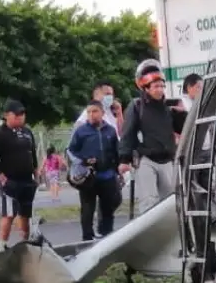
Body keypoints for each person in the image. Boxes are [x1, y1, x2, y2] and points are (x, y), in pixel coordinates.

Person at [119, 67, 187, 212]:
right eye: (156, 86)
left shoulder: (168, 108)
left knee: (170, 201)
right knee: (149, 201)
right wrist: (124, 159)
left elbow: (183, 129)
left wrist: (182, 115)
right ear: (146, 88)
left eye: (162, 86)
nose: (160, 89)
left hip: (167, 159)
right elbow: (128, 133)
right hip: (145, 159)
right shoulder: (137, 106)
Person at [68, 100, 124, 241]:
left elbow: (116, 152)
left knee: (108, 209)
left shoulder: (110, 130)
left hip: (108, 176)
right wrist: (83, 160)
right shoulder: (81, 131)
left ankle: (107, 236)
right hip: (88, 177)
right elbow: (70, 151)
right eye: (89, 112)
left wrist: (119, 170)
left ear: (102, 113)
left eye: (95, 111)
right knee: (87, 210)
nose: (91, 115)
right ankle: (87, 237)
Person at [0, 100, 39, 248]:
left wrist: (36, 171)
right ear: (7, 115)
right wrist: (0, 175)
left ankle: (25, 243)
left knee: (25, 213)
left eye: (22, 114)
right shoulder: (0, 133)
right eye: (16, 115)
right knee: (9, 214)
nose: (20, 117)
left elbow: (33, 153)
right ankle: (2, 244)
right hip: (10, 180)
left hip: (26, 179)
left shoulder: (27, 132)